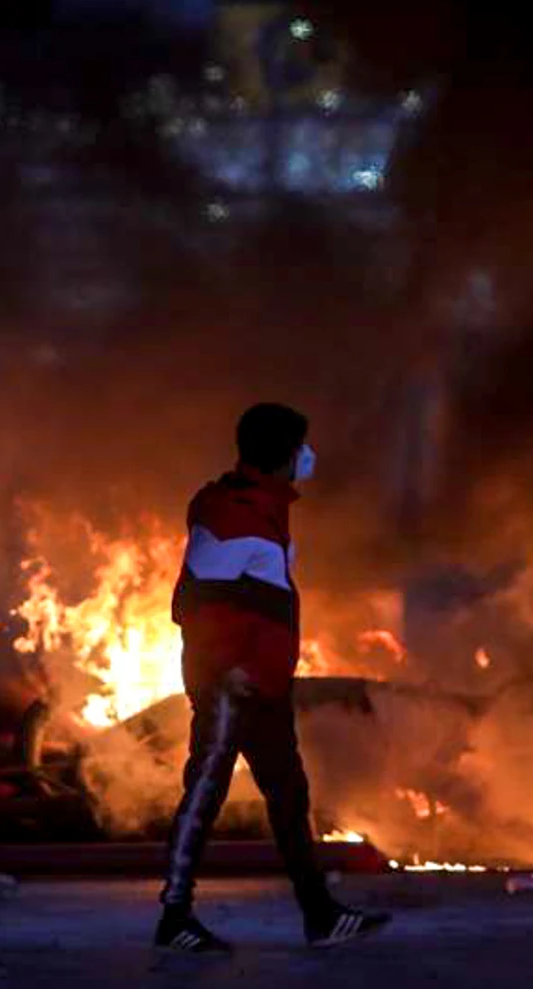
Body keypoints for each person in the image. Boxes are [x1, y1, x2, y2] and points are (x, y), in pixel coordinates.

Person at [154, 402, 391, 954]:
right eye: (302, 447)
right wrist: (224, 670)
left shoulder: (263, 507)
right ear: (284, 455)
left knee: (289, 794)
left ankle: (320, 915)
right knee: (205, 793)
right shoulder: (234, 515)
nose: (310, 455)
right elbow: (196, 600)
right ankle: (174, 917)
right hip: (231, 688)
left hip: (265, 686)